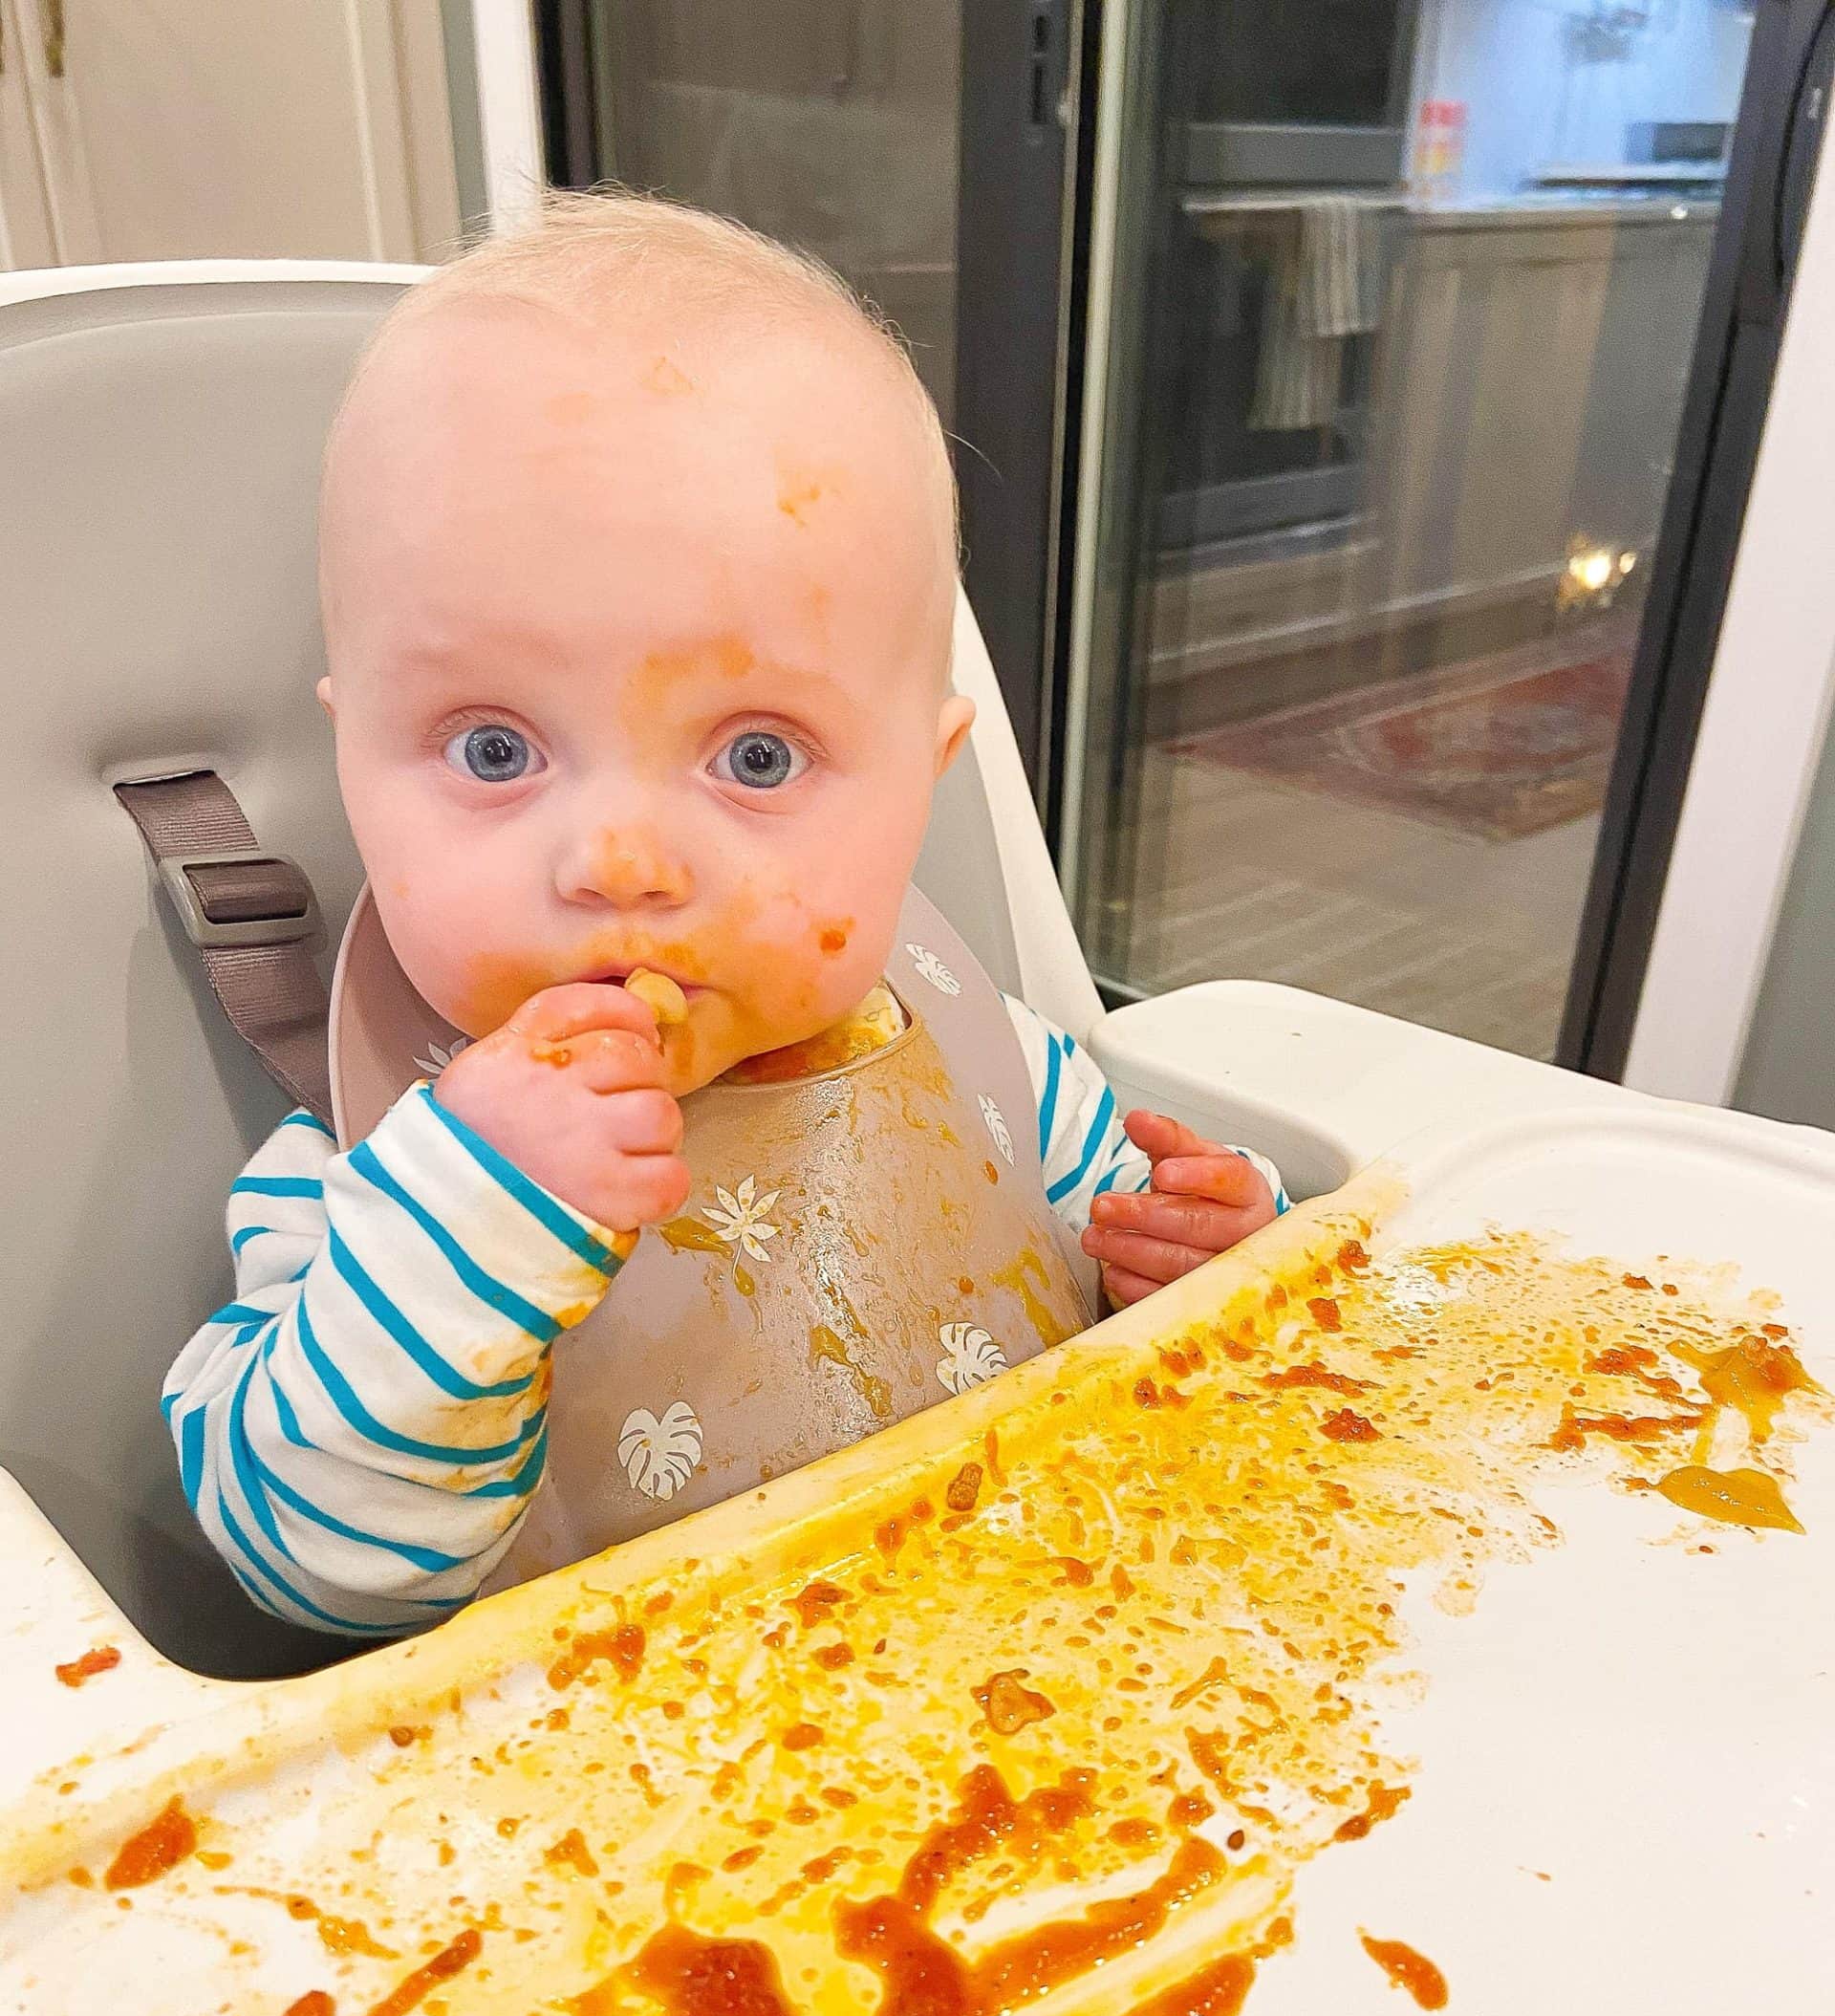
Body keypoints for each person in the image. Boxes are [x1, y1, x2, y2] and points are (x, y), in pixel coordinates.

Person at [164, 192, 1285, 1638]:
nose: (620, 861)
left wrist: (1200, 1254)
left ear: (917, 785)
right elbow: (312, 1574)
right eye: (494, 750)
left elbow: (1153, 1329)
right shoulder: (367, 1183)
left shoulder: (996, 1069)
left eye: (756, 756)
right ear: (353, 760)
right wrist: (470, 1237)